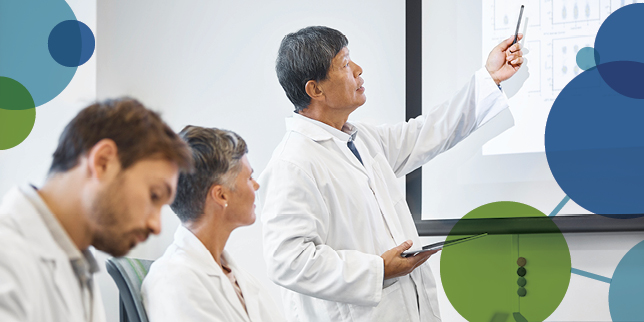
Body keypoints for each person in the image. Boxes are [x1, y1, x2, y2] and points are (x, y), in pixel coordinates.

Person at [258, 26, 524, 322]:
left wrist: (489, 78)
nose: (359, 70)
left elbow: (431, 132)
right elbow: (288, 261)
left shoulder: (361, 140)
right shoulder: (293, 163)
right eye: (345, 64)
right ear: (315, 90)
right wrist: (377, 270)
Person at [0, 98, 193, 322]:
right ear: (103, 162)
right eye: (154, 195)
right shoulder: (8, 259)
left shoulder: (75, 260)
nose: (156, 226)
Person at [142, 126, 284, 322]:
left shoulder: (236, 277)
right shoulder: (174, 279)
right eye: (249, 177)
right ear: (221, 195)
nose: (256, 185)